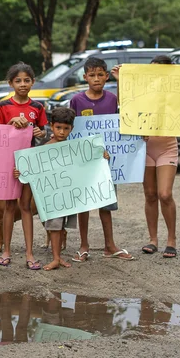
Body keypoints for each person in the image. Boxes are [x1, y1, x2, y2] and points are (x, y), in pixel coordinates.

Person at [111, 57, 180, 258]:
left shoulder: (175, 95)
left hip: (167, 147)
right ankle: (153, 239)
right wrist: (120, 80)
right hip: (145, 147)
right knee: (150, 194)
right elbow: (124, 104)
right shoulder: (143, 92)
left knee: (165, 194)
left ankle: (172, 239)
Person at [70, 57, 133, 262]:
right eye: (92, 75)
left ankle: (109, 245)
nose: (96, 79)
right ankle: (83, 245)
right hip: (84, 161)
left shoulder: (112, 99)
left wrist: (121, 79)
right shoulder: (77, 100)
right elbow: (73, 130)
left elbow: (121, 121)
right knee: (84, 204)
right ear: (85, 77)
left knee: (106, 203)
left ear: (106, 76)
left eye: (100, 75)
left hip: (107, 162)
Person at [0, 62, 47, 269]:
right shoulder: (3, 107)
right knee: (9, 205)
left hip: (29, 162)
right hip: (8, 161)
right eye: (18, 81)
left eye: (26, 80)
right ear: (10, 83)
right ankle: (6, 250)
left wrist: (40, 133)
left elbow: (42, 132)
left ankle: (29, 253)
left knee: (25, 206)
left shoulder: (38, 107)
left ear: (32, 82)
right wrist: (10, 123)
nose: (22, 84)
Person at [14, 107, 78, 271]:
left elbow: (86, 163)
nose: (62, 132)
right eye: (58, 128)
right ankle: (56, 258)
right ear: (51, 126)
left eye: (66, 128)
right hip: (52, 197)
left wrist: (103, 155)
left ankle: (59, 256)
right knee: (54, 226)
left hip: (68, 195)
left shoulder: (75, 147)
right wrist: (20, 172)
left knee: (61, 226)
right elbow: (30, 169)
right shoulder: (43, 148)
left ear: (72, 128)